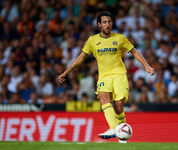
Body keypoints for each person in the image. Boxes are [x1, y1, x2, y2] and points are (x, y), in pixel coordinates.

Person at [58, 11, 154, 143]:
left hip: (119, 74)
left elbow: (134, 52)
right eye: (104, 22)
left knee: (119, 105)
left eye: (109, 22)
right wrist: (66, 72)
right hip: (103, 76)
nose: (107, 24)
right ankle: (114, 129)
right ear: (99, 25)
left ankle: (121, 135)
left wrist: (146, 66)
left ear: (112, 23)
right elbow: (81, 58)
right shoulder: (92, 40)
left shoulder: (120, 38)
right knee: (103, 98)